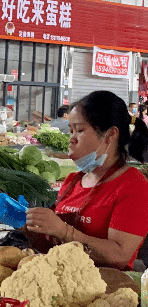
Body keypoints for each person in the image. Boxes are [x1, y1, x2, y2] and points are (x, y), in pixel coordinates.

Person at [25, 91, 148, 271]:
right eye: (71, 130)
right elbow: (53, 247)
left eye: (80, 130)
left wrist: (64, 231)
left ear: (110, 135)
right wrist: (31, 229)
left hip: (106, 289)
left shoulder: (133, 185)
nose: (71, 139)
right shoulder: (73, 181)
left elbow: (120, 256)